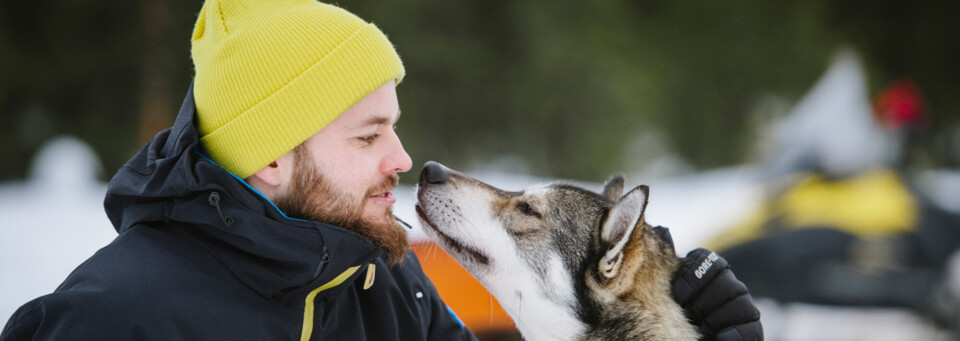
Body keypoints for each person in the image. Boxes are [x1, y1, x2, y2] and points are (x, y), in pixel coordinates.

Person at [1, 0, 761, 340]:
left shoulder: (378, 281)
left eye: (393, 129)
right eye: (369, 136)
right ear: (271, 156)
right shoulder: (111, 321)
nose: (401, 160)